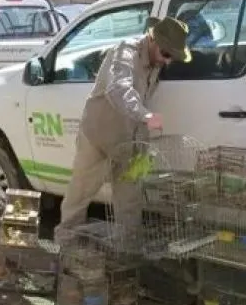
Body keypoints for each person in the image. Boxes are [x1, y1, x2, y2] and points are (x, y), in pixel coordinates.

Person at [53, 16, 192, 243]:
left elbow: (143, 98)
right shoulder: (125, 51)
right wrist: (146, 116)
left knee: (130, 203)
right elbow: (117, 89)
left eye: (172, 57)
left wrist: (143, 141)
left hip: (130, 143)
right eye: (166, 54)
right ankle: (65, 251)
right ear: (153, 40)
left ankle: (127, 253)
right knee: (78, 198)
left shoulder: (157, 61)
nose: (167, 61)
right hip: (98, 138)